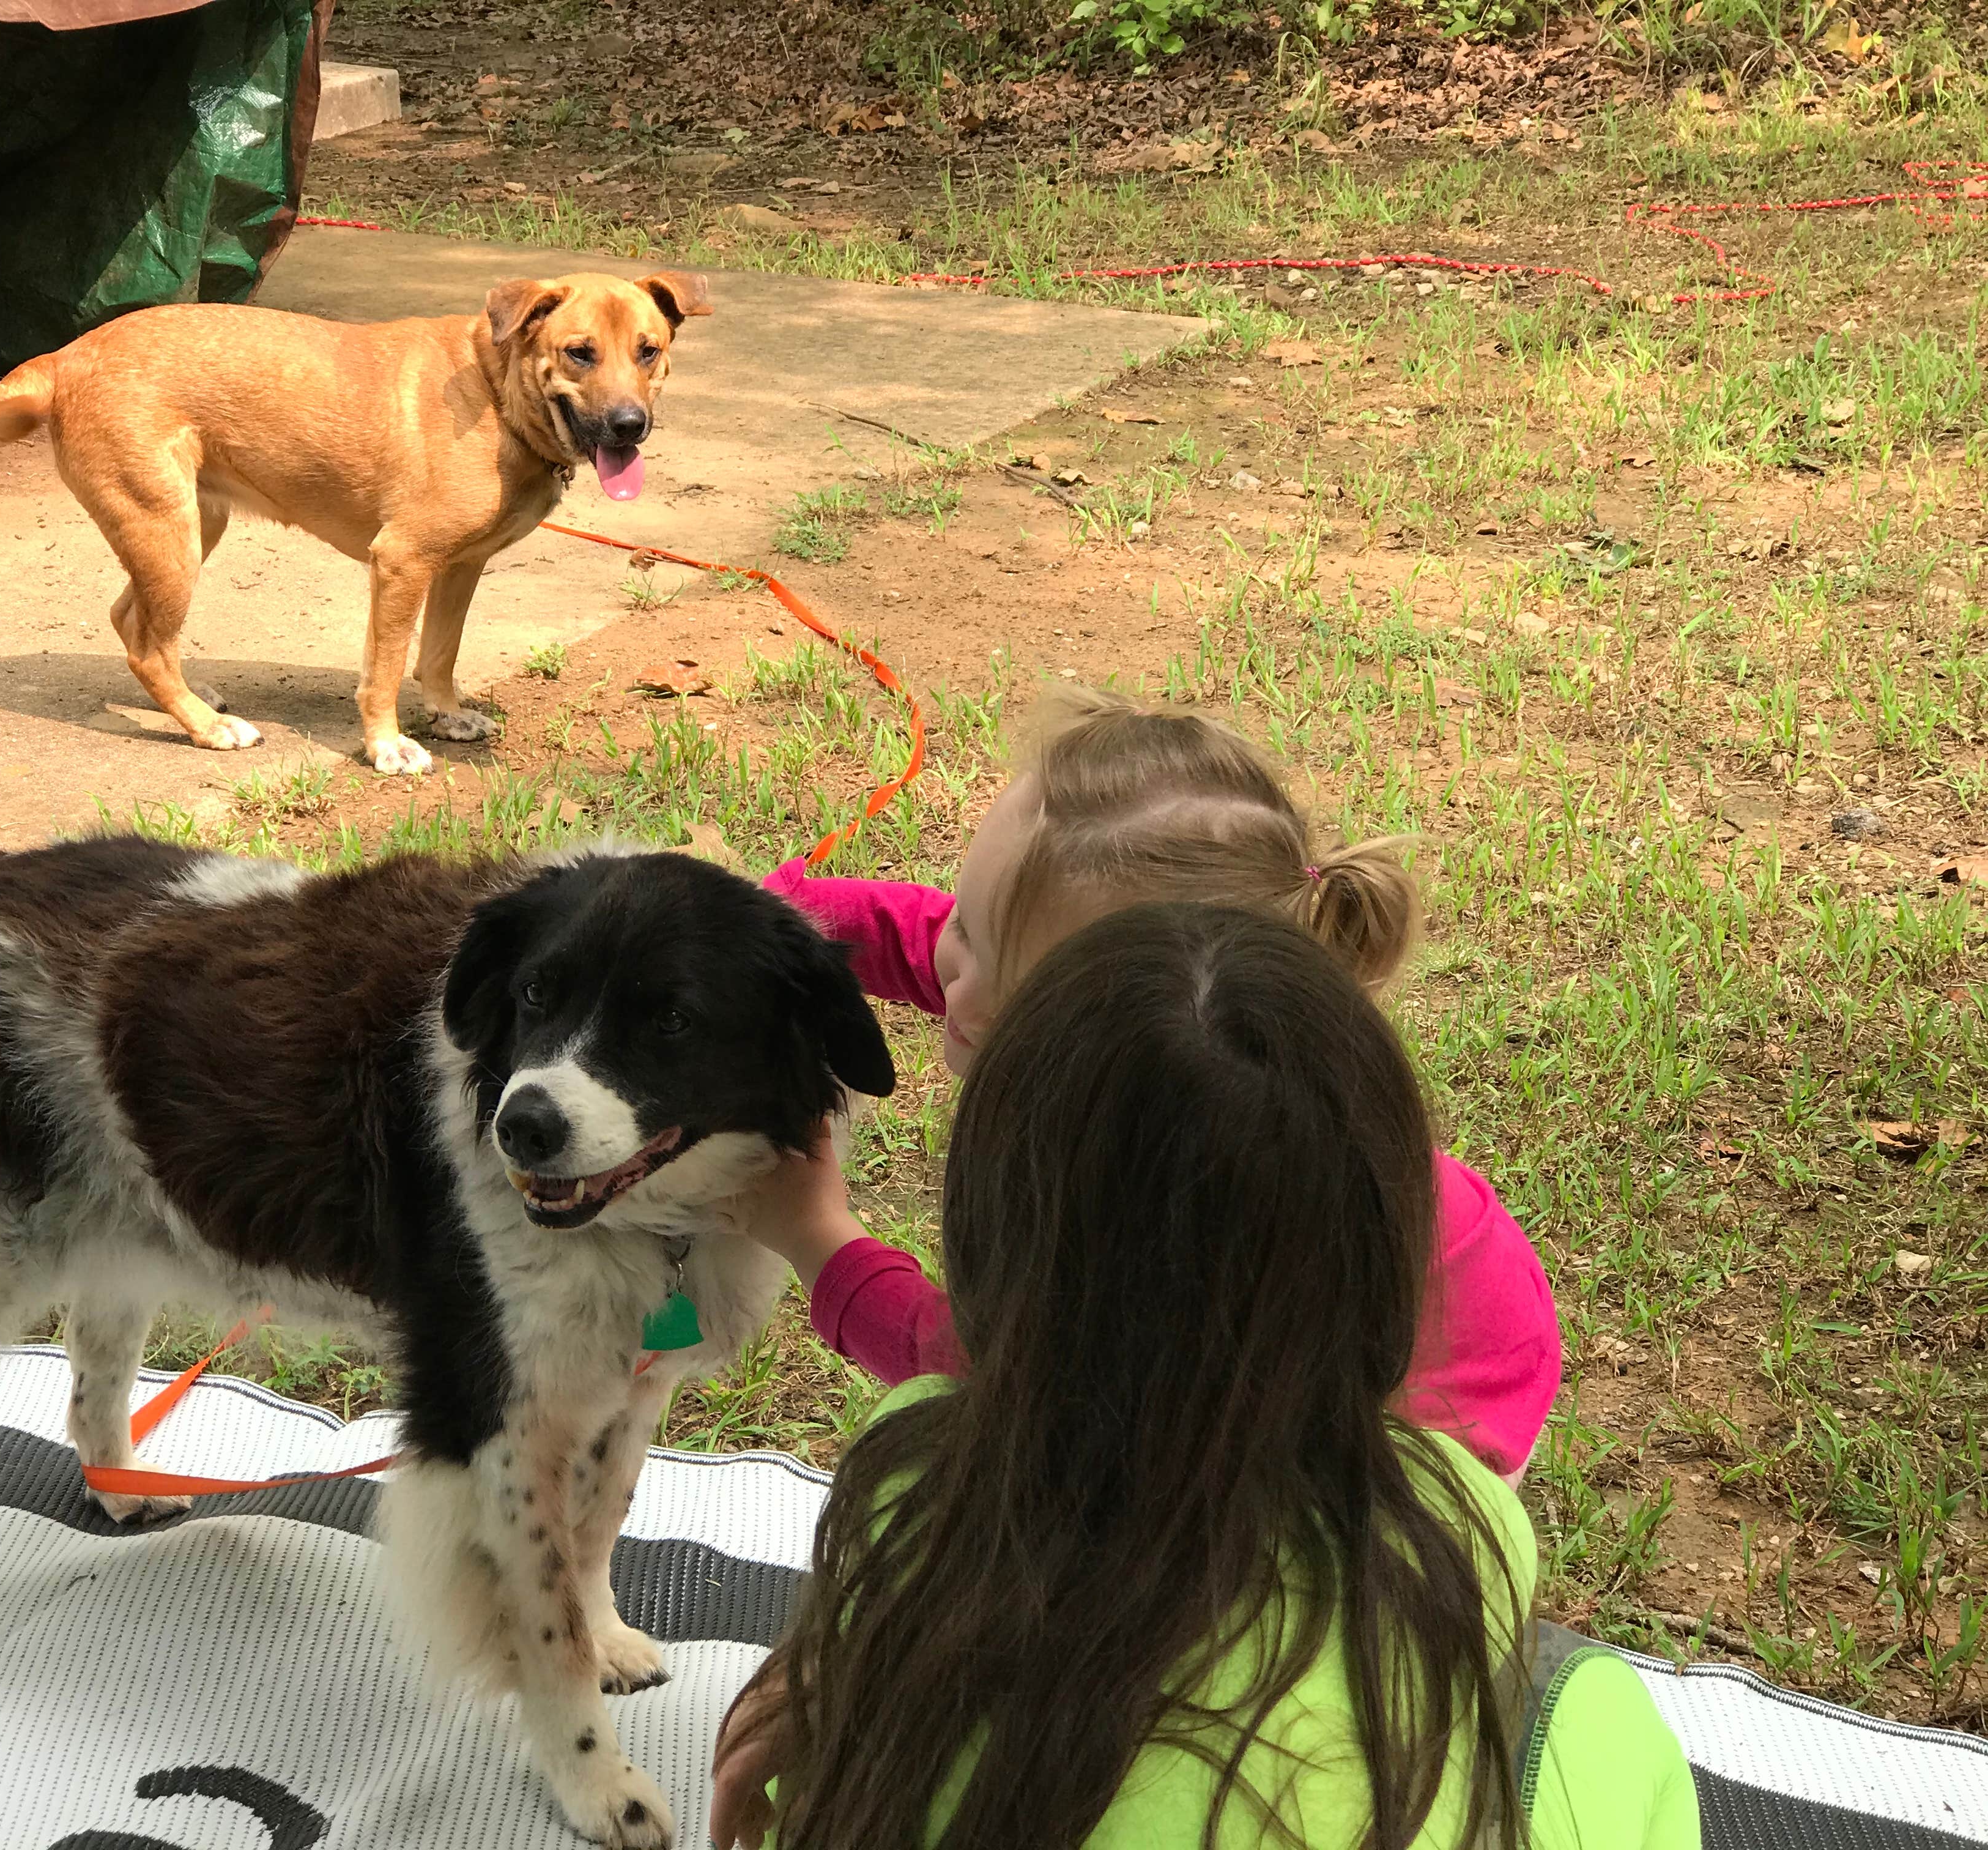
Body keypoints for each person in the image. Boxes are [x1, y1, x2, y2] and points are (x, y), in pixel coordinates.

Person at [708, 905, 1699, 1850]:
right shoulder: (1459, 1516)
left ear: (987, 1230)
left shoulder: (910, 1471)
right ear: (1385, 1255)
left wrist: (835, 1687)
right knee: (1582, 1707)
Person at [757, 685, 1557, 1480]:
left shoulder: (1166, 1195)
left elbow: (991, 1370)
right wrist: (773, 916)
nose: (955, 984)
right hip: (1454, 1302)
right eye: (968, 924)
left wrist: (817, 1236)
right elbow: (940, 938)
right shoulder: (1165, 1039)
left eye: (1013, 990)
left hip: (1433, 1427)